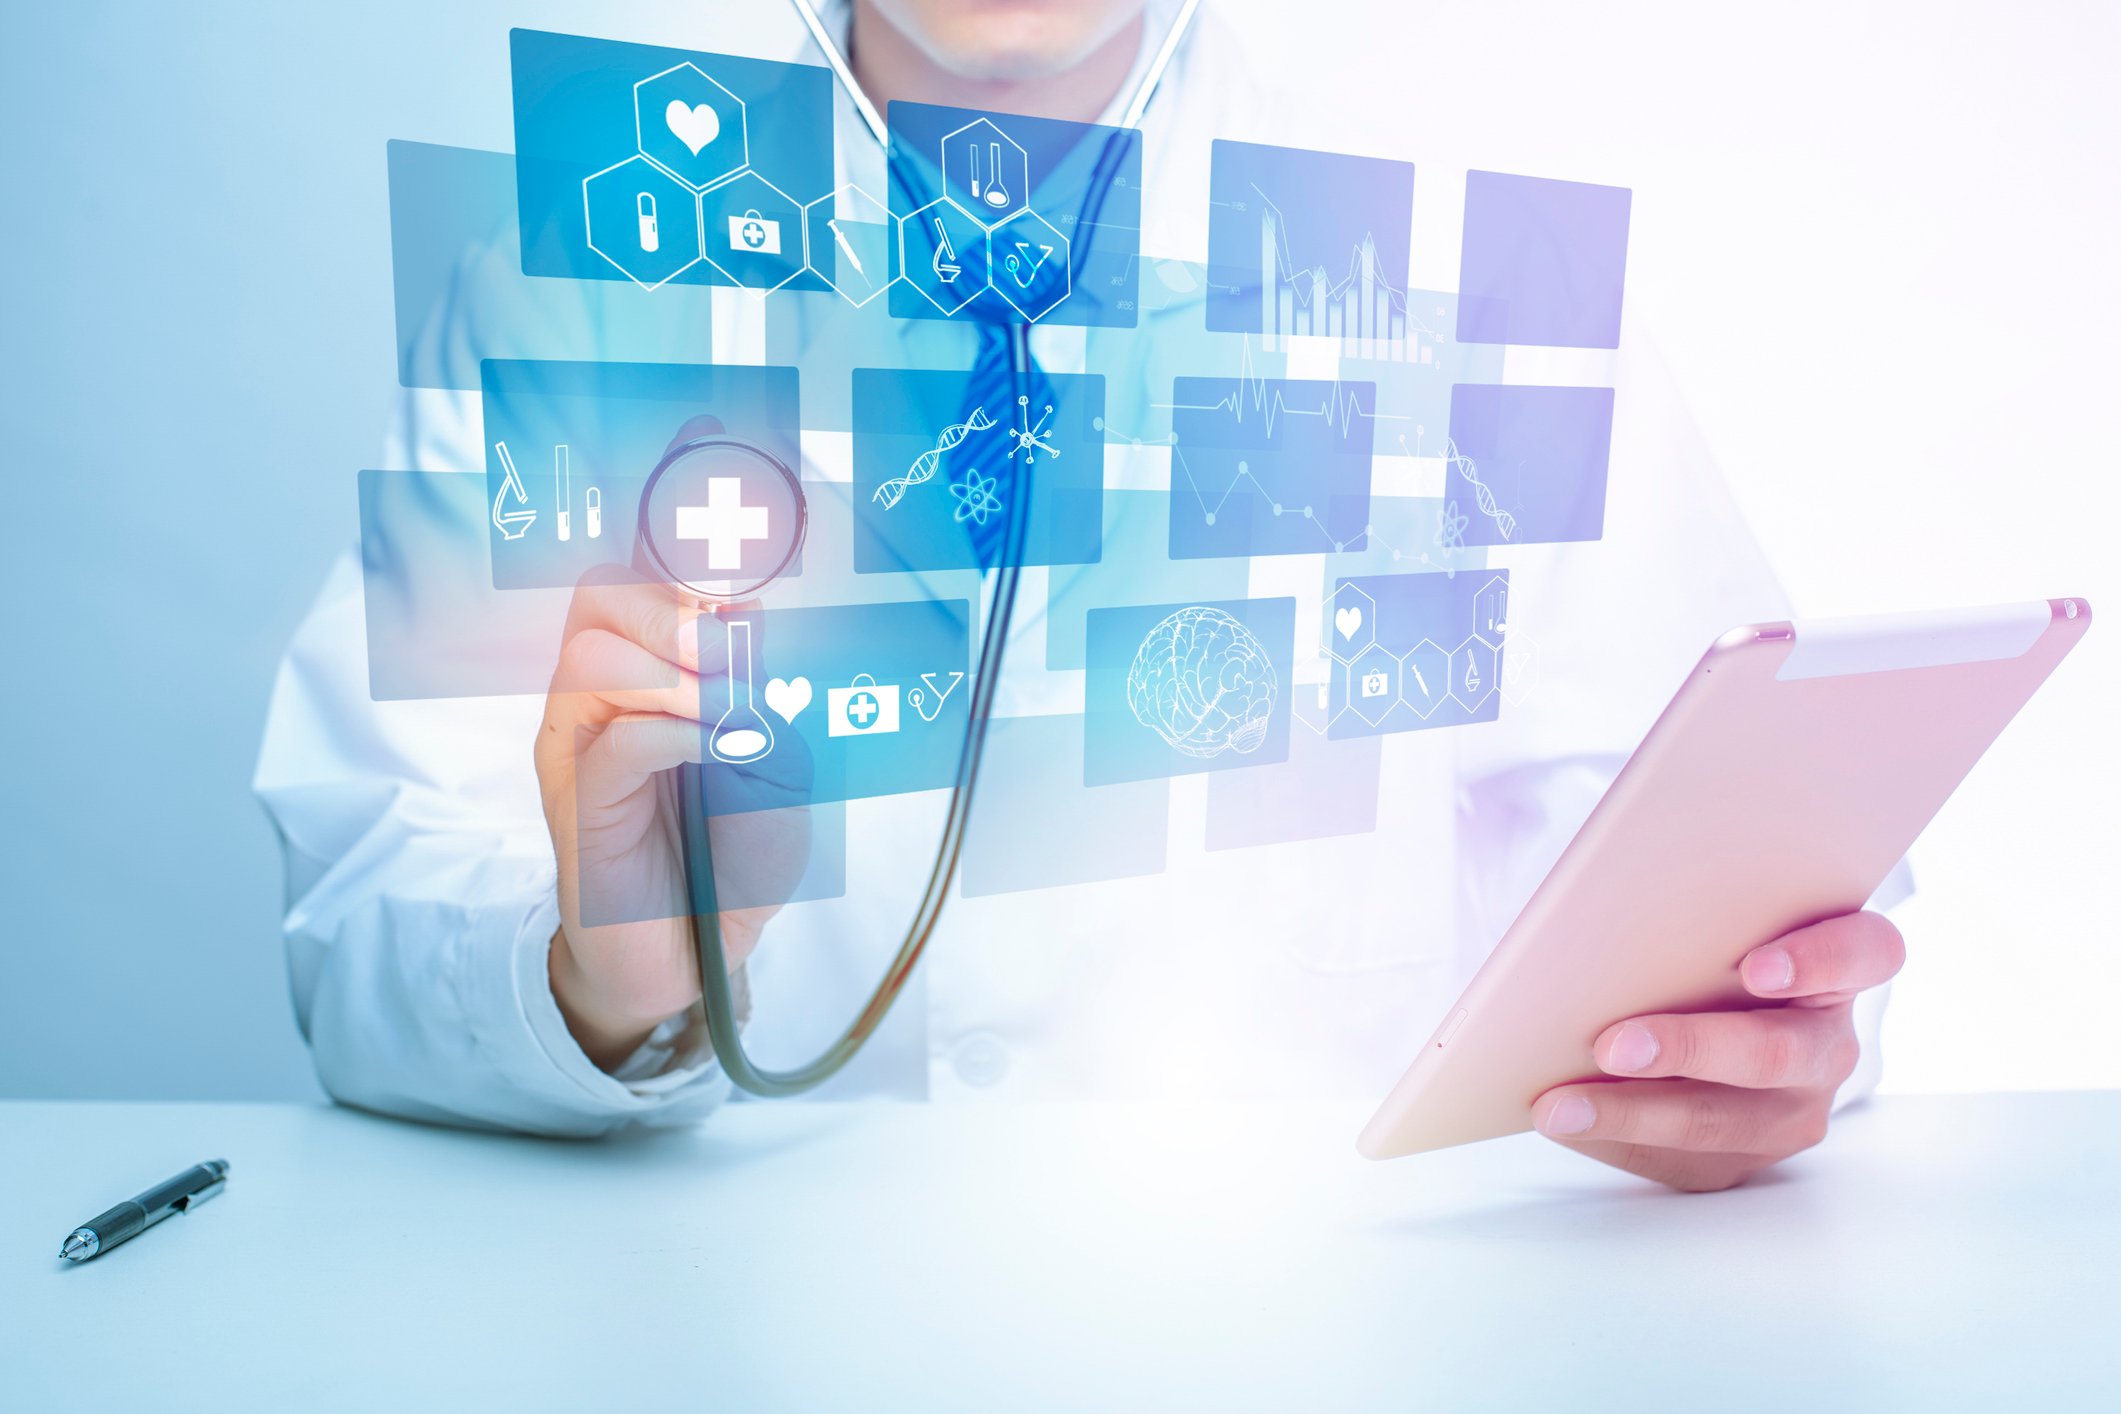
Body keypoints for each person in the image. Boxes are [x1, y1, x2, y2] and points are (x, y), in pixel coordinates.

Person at [255, 0, 1906, 1192]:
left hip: (1341, 1338)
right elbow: (362, 913)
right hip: (748, 1333)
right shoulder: (577, 280)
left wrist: (1739, 1058)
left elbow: (1741, 886)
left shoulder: (1470, 276)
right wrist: (607, 974)